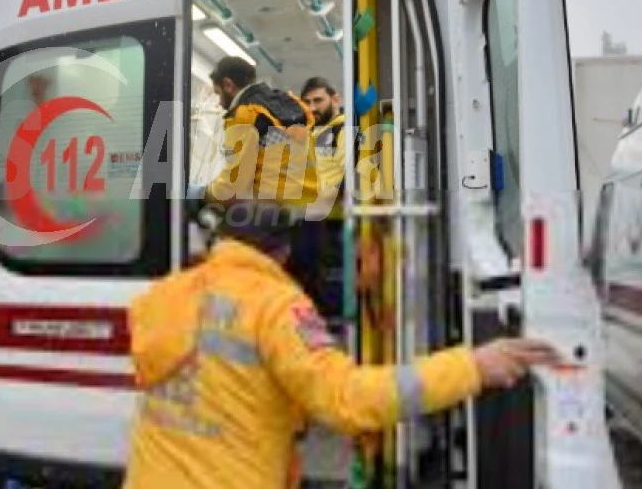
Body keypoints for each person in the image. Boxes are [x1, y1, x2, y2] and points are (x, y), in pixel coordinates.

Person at [121, 217, 559, 489]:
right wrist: (472, 366)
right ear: (285, 252)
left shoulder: (170, 291)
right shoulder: (276, 307)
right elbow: (345, 399)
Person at [192, 56, 320, 255]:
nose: (219, 103)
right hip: (311, 212)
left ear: (228, 84)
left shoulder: (244, 113)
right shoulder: (291, 103)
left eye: (218, 94)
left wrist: (200, 195)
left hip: (273, 219)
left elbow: (233, 187)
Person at [292, 77, 349, 317]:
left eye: (318, 100)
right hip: (310, 222)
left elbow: (337, 182)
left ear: (335, 99)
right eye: (307, 102)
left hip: (332, 226)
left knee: (328, 295)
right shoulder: (312, 135)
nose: (313, 107)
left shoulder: (345, 131)